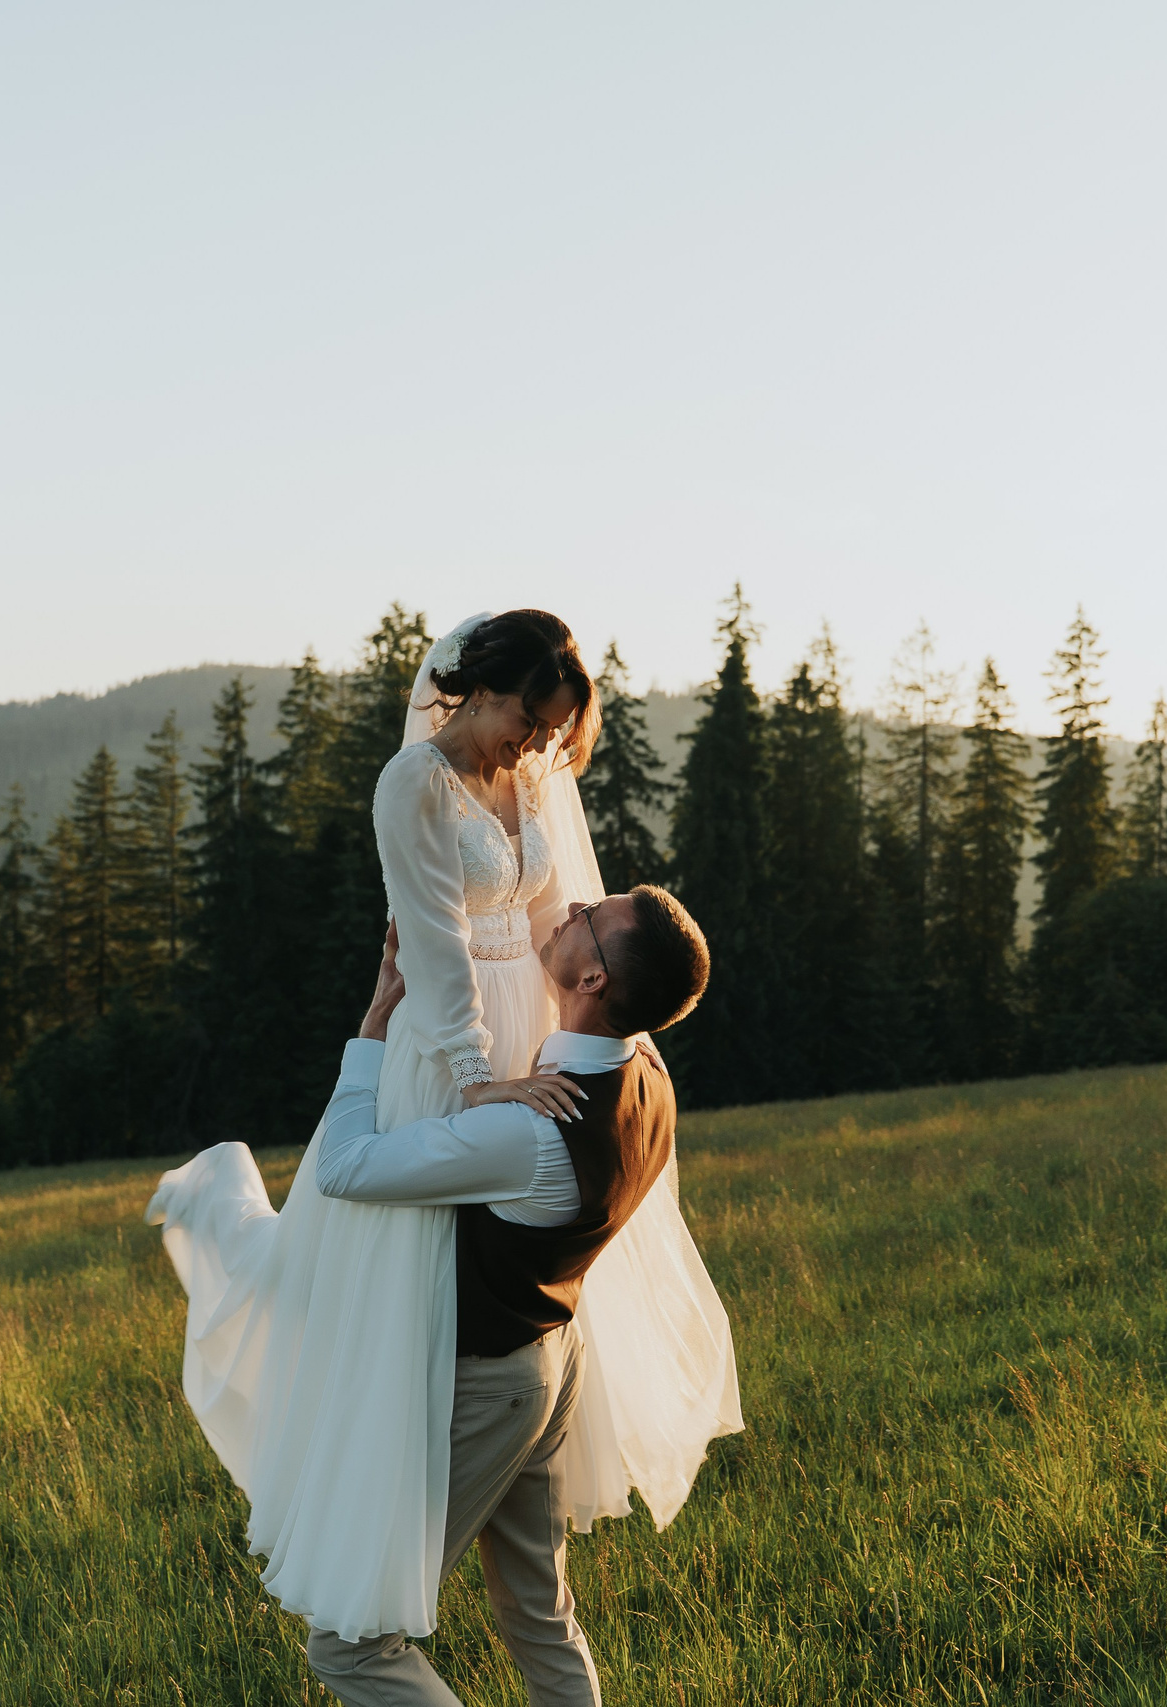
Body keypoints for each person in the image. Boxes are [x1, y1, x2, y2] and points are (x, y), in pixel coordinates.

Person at [147, 611, 738, 1649]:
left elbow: (572, 913)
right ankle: (226, 1211)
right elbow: (431, 940)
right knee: (385, 1254)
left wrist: (582, 1053)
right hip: (450, 1034)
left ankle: (502, 1420)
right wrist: (476, 1080)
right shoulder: (412, 785)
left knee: (513, 1246)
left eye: (552, 729)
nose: (536, 745)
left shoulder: (539, 772)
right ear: (478, 687)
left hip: (539, 1022)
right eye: (526, 720)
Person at [303, 882, 714, 1705]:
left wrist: (376, 1024)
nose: (573, 905)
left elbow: (345, 1167)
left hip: (494, 1388)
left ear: (594, 979)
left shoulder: (531, 1131)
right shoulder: (650, 1074)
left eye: (592, 916)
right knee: (538, 1609)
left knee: (351, 1643)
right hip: (559, 1362)